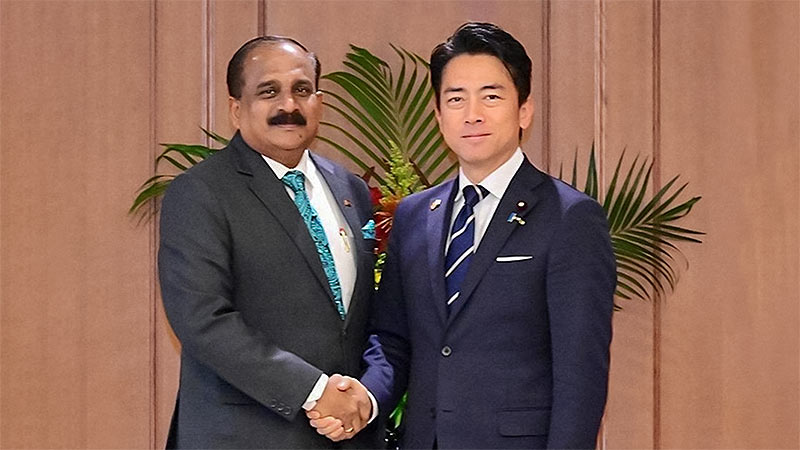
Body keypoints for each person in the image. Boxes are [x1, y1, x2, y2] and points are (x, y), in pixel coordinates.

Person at [311, 22, 616, 448]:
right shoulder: (416, 215)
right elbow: (394, 340)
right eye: (456, 99)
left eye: (491, 96)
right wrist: (366, 397)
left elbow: (580, 374)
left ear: (524, 109)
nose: (472, 114)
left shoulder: (569, 217)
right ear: (438, 115)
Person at [158, 35, 382, 449]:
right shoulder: (201, 193)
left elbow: (366, 321)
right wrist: (315, 390)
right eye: (268, 92)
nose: (289, 107)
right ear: (236, 108)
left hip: (345, 436)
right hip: (245, 436)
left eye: (302, 90)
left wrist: (361, 398)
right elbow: (202, 319)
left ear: (319, 100)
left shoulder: (350, 189)